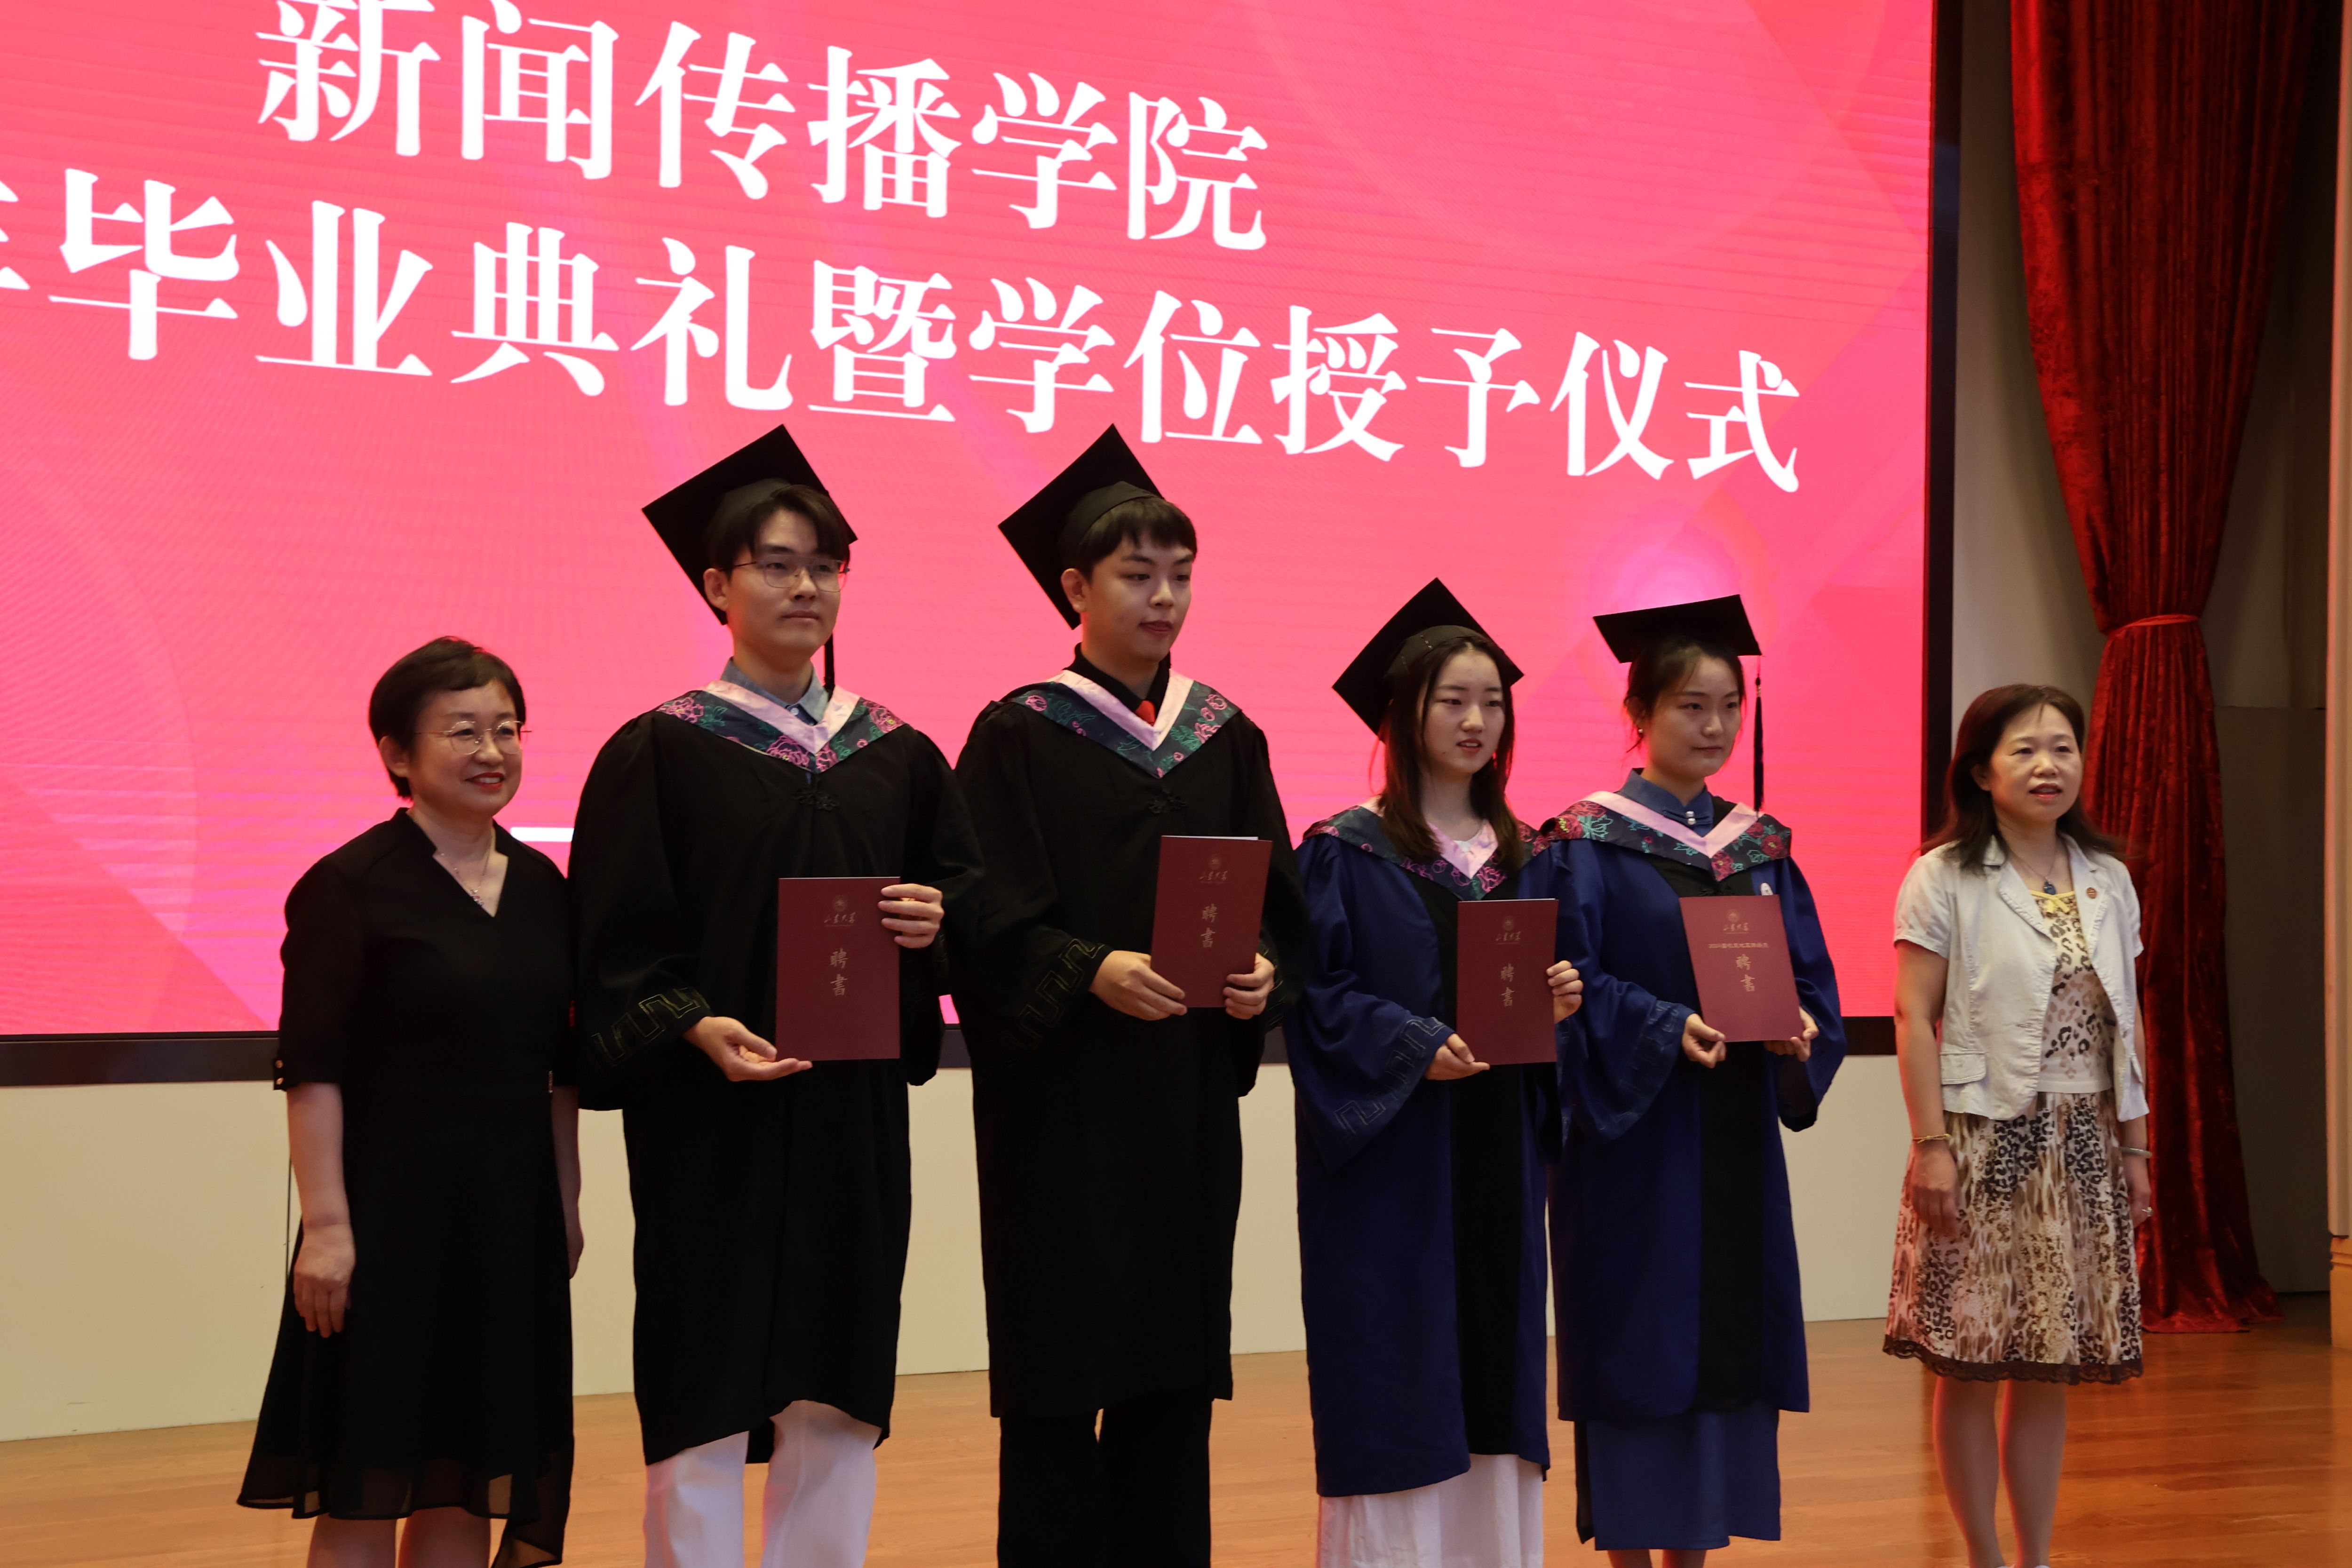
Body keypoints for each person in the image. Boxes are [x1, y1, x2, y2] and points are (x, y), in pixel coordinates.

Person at [568, 425, 984, 1568]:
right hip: (713, 1116)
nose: (807, 586)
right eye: (778, 564)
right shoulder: (659, 751)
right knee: (704, 1382)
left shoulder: (897, 753)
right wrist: (692, 1023)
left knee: (838, 1387)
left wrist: (936, 923)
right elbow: (614, 944)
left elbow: (969, 900)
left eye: (826, 565)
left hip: (851, 1115)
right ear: (718, 585)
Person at [950, 425, 1311, 1568]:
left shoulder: (1224, 735)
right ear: (1075, 588)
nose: (1164, 599)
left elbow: (1281, 904)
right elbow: (980, 916)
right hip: (1061, 1109)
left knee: (1169, 1373)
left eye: (1180, 576)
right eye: (1136, 575)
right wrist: (1088, 967)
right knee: (1059, 1377)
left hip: (1182, 1105)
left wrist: (1264, 972)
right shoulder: (1016, 732)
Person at [237, 637, 580, 1568]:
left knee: (469, 1473)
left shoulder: (545, 888)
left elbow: (559, 1070)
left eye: (507, 729)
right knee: (369, 1474)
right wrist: (327, 1229)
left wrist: (566, 1201)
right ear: (396, 752)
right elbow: (313, 1069)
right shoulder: (349, 886)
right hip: (388, 1221)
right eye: (462, 731)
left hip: (507, 1220)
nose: (492, 750)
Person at [1533, 595, 1845, 1567]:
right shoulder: (1583, 843)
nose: (1714, 726)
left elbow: (1811, 981)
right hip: (1636, 1144)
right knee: (1641, 1342)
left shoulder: (1761, 848)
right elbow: (1565, 986)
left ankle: (1695, 1555)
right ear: (1640, 713)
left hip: (1735, 1137)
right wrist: (1664, 1026)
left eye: (1728, 708)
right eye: (1690, 706)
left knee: (1725, 1341)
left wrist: (1800, 1028)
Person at [1291, 581, 1582, 1568]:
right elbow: (1316, 998)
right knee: (1395, 1362)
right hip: (1395, 1161)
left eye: (1492, 701)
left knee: (1495, 1361)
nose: (1475, 720)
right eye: (1452, 699)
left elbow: (1554, 1000)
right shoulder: (1345, 851)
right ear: (1402, 715)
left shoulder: (1533, 856)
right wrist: (1410, 1042)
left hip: (1498, 1149)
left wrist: (1563, 997)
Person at [1883, 685, 2150, 1568]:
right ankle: (1984, 1557)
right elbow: (1911, 1016)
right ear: (1980, 770)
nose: (2048, 766)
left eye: (2063, 748)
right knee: (1970, 1360)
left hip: (2085, 1143)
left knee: (2048, 1363)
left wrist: (2136, 1145)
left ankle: (2034, 1559)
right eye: (2026, 749)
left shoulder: (2108, 877)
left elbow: (2128, 1022)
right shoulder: (1944, 875)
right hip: (1981, 1138)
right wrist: (1931, 1147)